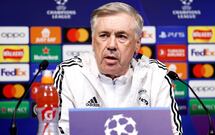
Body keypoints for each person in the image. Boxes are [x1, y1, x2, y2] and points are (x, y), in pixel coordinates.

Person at [53, 2, 183, 135]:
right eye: (104, 35)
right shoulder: (69, 73)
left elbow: (172, 132)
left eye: (121, 36)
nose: (111, 45)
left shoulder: (156, 74)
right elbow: (58, 131)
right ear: (93, 40)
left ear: (137, 43)